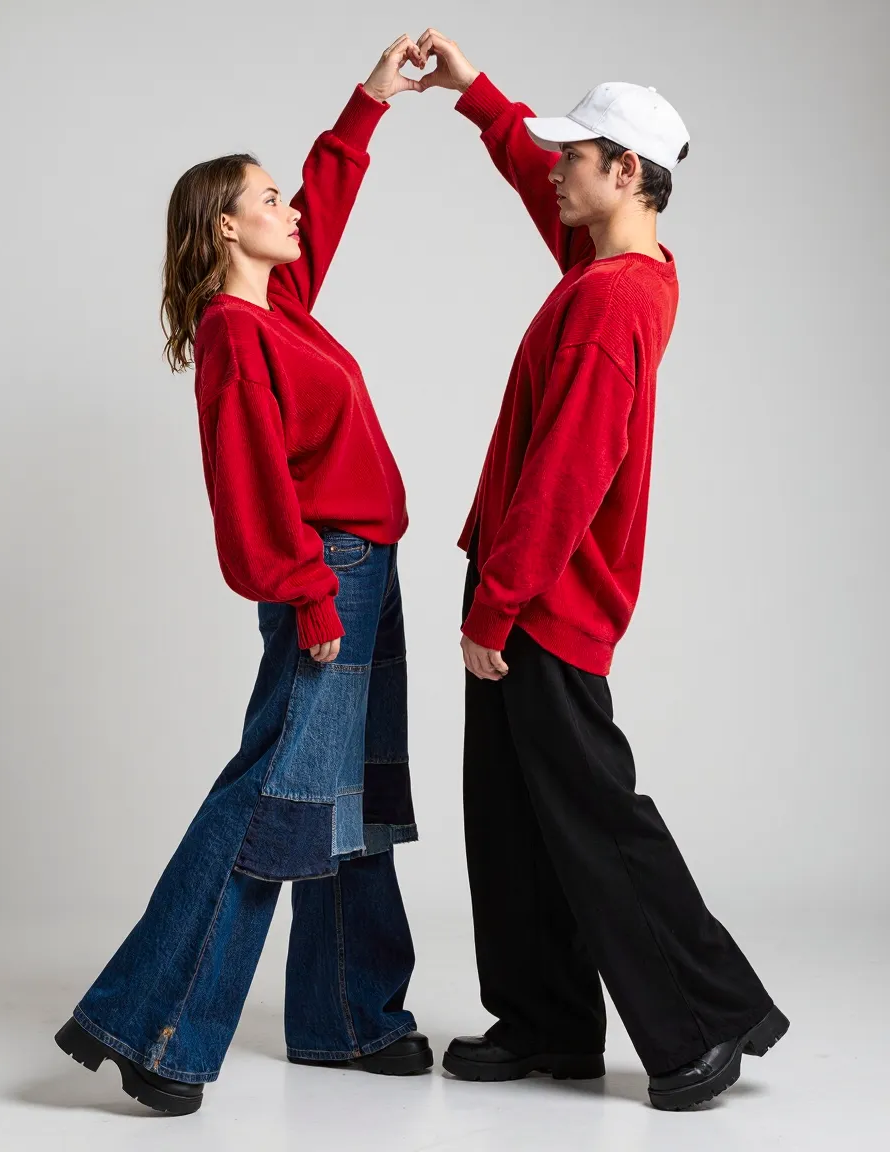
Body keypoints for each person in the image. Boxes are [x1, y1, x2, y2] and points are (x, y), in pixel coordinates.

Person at [54, 35, 433, 1116]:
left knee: (348, 803)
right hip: (328, 572)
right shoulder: (234, 332)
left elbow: (330, 194)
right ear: (225, 223)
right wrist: (309, 591)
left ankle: (346, 1019)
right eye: (268, 199)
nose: (290, 209)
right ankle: (152, 1028)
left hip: (365, 565)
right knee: (279, 797)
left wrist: (368, 103)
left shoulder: (283, 310)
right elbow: (250, 485)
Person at [415, 29, 789, 1112]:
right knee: (514, 813)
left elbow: (565, 475)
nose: (555, 169)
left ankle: (699, 1028)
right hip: (527, 594)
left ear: (624, 172)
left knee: (591, 817)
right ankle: (547, 1023)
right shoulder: (616, 271)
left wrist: (497, 604)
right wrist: (476, 96)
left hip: (539, 602)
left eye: (573, 156)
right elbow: (542, 193)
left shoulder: (609, 302)